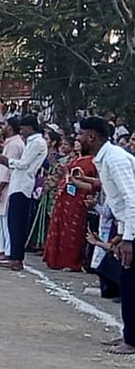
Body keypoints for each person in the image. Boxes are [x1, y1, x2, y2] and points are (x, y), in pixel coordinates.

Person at [72, 117, 135, 355]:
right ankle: (129, 334)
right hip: (127, 225)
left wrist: (128, 238)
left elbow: (131, 198)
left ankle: (132, 339)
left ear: (92, 136)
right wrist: (122, 233)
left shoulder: (116, 159)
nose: (77, 139)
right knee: (127, 282)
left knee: (130, 282)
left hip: (133, 227)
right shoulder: (105, 158)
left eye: (81, 134)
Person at [0, 115, 48, 271]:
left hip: (23, 186)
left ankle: (17, 258)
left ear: (30, 127)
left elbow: (23, 164)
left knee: (16, 223)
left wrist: (4, 160)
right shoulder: (32, 142)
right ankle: (14, 256)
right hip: (18, 184)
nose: (21, 131)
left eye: (23, 128)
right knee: (13, 222)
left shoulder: (37, 143)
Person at [43, 140, 97, 271]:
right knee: (60, 226)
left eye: (80, 141)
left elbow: (89, 181)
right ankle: (56, 258)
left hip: (78, 198)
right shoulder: (76, 158)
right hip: (65, 196)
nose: (78, 143)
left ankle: (71, 262)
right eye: (76, 141)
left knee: (73, 229)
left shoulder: (92, 161)